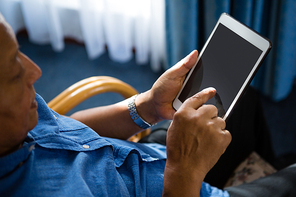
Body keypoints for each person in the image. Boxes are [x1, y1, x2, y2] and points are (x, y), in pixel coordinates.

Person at [0, 13, 295, 197]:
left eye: (19, 53)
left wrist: (148, 107)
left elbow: (70, 128)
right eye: (15, 71)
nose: (35, 72)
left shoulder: (20, 117)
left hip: (151, 155)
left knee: (240, 98)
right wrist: (184, 172)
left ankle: (268, 165)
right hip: (185, 185)